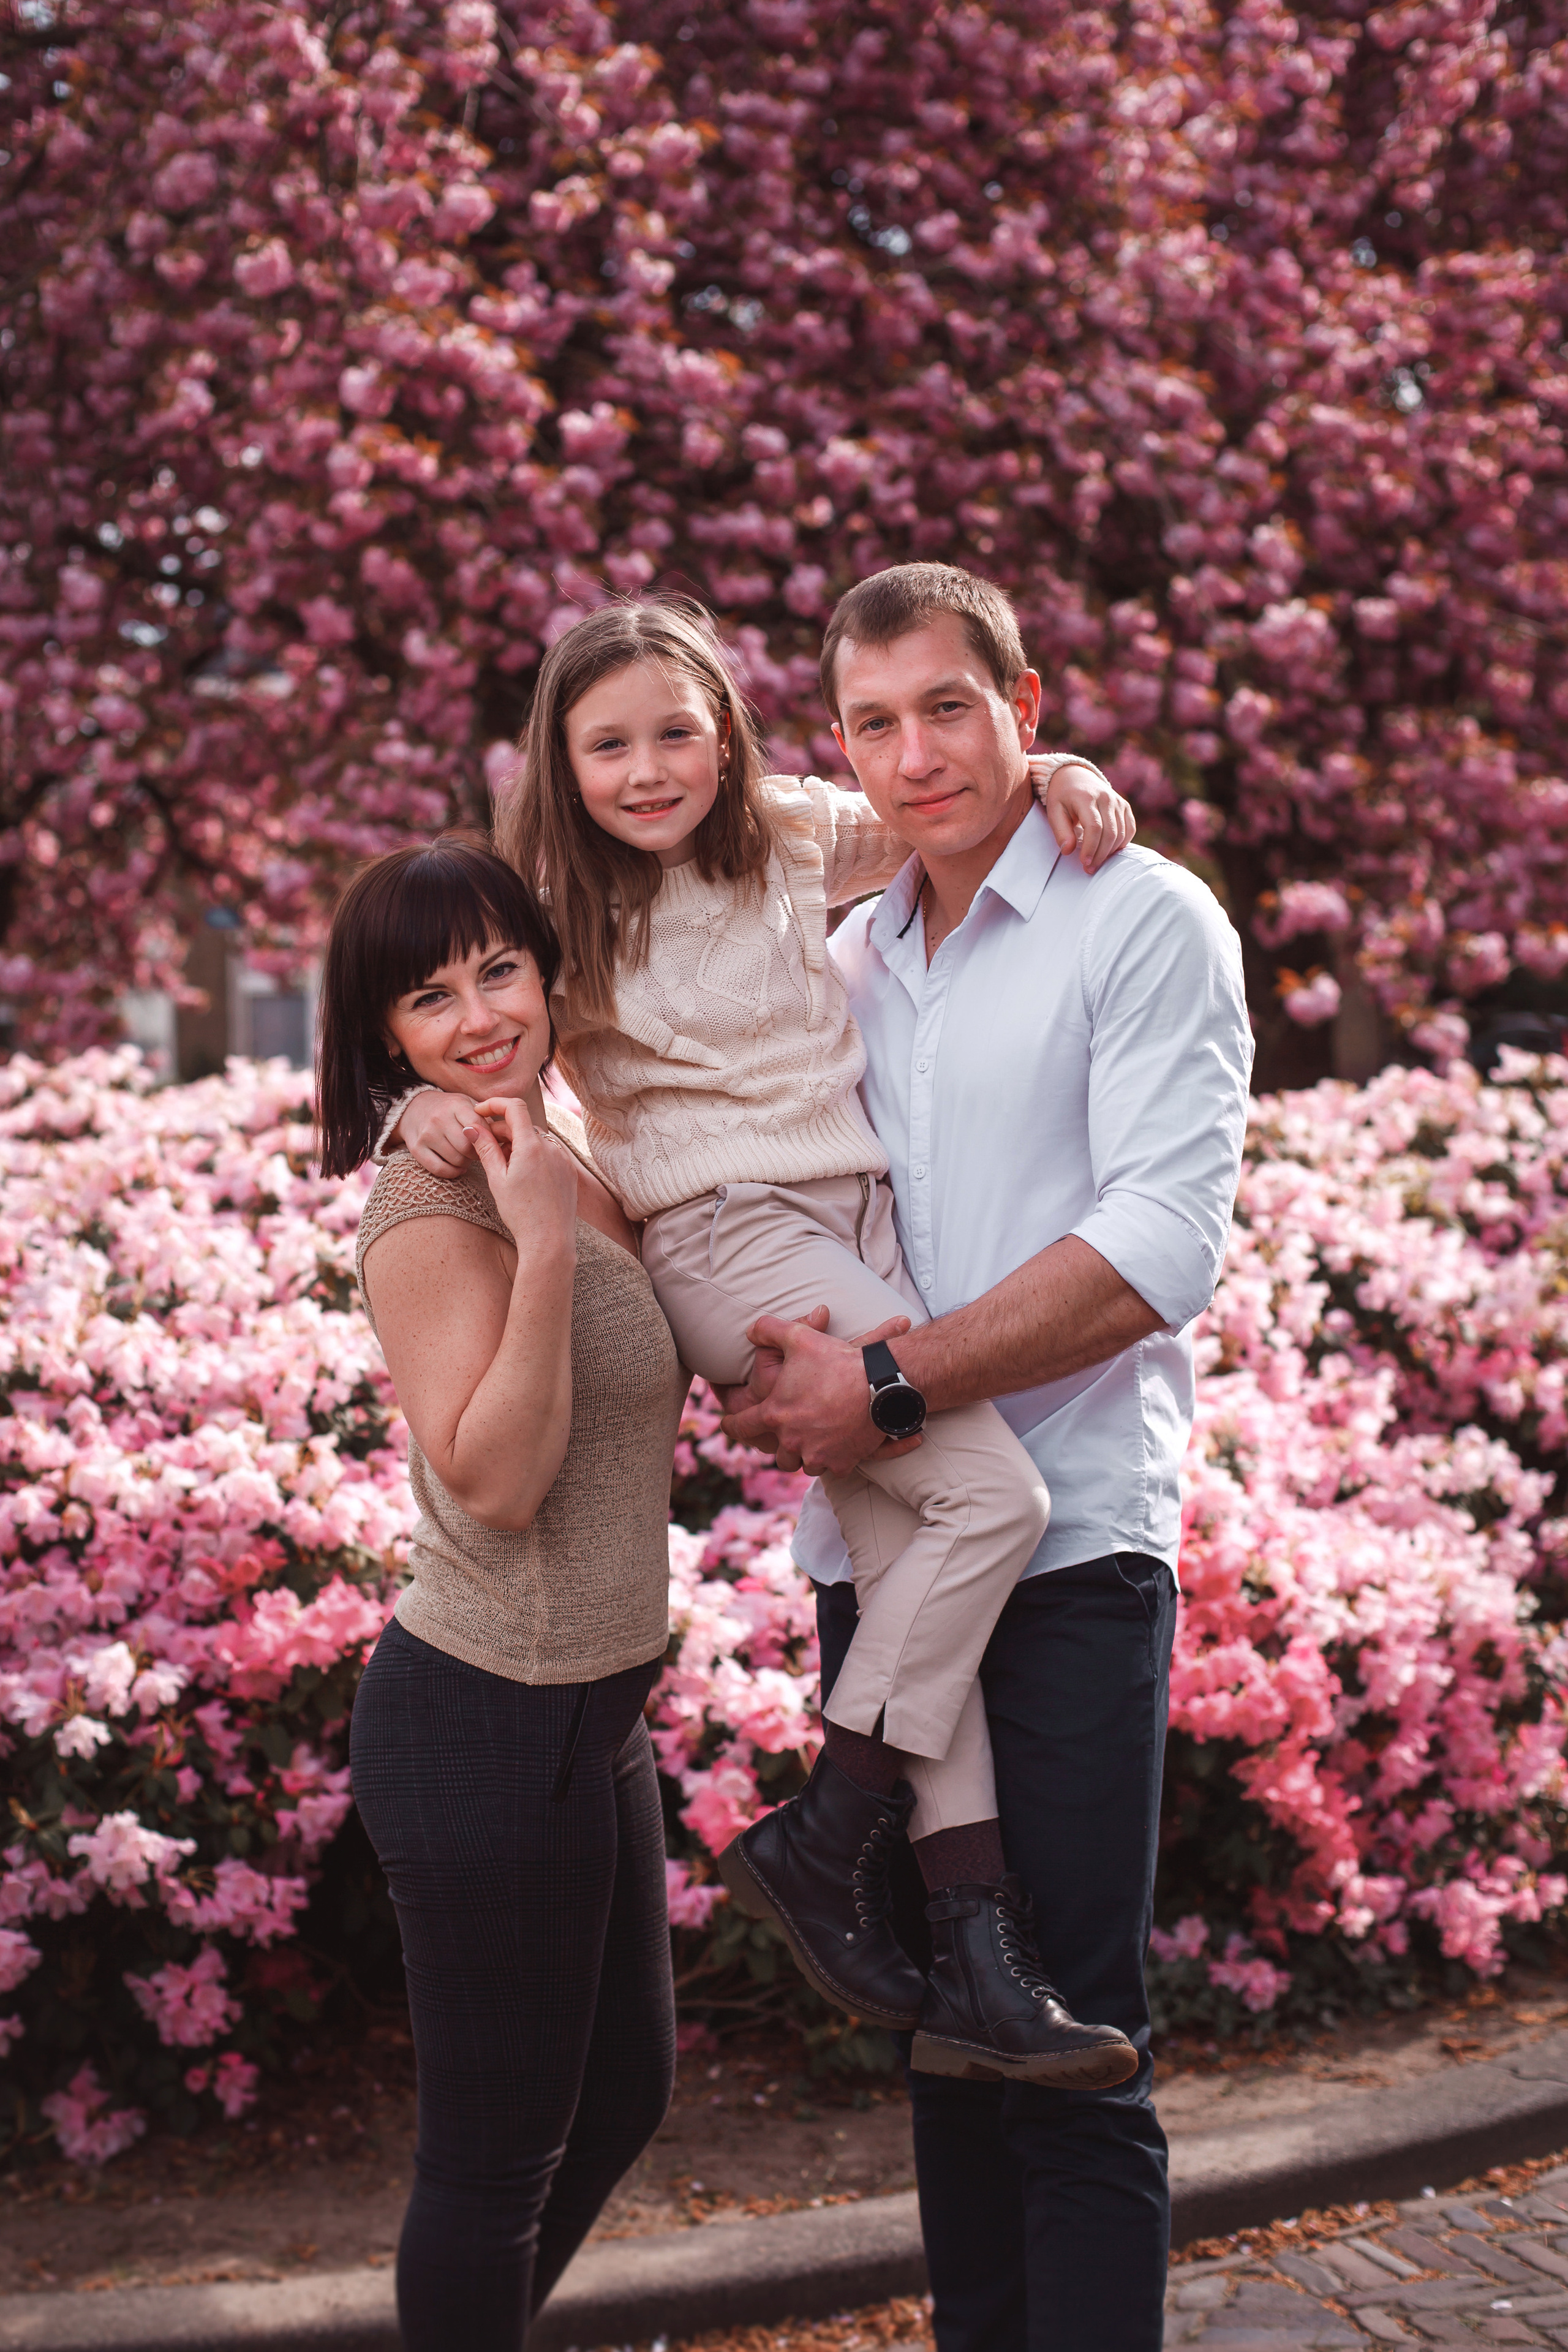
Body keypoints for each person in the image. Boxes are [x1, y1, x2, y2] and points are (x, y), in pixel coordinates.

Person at [384, 594, 1140, 2088]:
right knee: (995, 1502)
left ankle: (977, 1956)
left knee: (919, 1564)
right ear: (563, 762)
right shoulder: (547, 891)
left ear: (729, 736)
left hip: (854, 1227)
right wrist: (407, 1105)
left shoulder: (794, 833)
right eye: (608, 746)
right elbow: (432, 981)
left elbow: (940, 799)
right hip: (730, 1238)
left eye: (677, 731)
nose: (648, 769)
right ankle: (829, 1826)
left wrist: (1055, 775)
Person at [717, 562, 1254, 2352]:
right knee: (949, 2043)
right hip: (879, 1561)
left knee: (1077, 2040)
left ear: (1027, 705)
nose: (915, 753)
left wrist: (892, 1378)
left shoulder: (1143, 920)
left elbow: (1161, 1244)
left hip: (1076, 1543)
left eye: (950, 706)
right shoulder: (847, 952)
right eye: (874, 722)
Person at [319, 839, 690, 2352]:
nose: (478, 1014)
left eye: (498, 969)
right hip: (486, 1711)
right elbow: (492, 1477)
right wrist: (537, 1251)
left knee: (623, 2092)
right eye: (428, 996)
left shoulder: (560, 1155)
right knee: (491, 2165)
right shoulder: (432, 1208)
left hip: (589, 1713)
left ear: (544, 970)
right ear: (383, 1037)